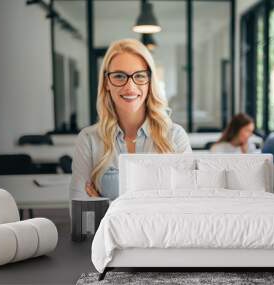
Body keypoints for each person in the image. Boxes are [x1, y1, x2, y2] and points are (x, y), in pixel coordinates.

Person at [69, 39, 192, 200]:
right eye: (119, 76)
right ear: (107, 82)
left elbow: (185, 207)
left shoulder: (175, 137)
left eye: (139, 76)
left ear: (149, 82)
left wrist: (106, 205)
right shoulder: (88, 140)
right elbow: (81, 215)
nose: (130, 87)